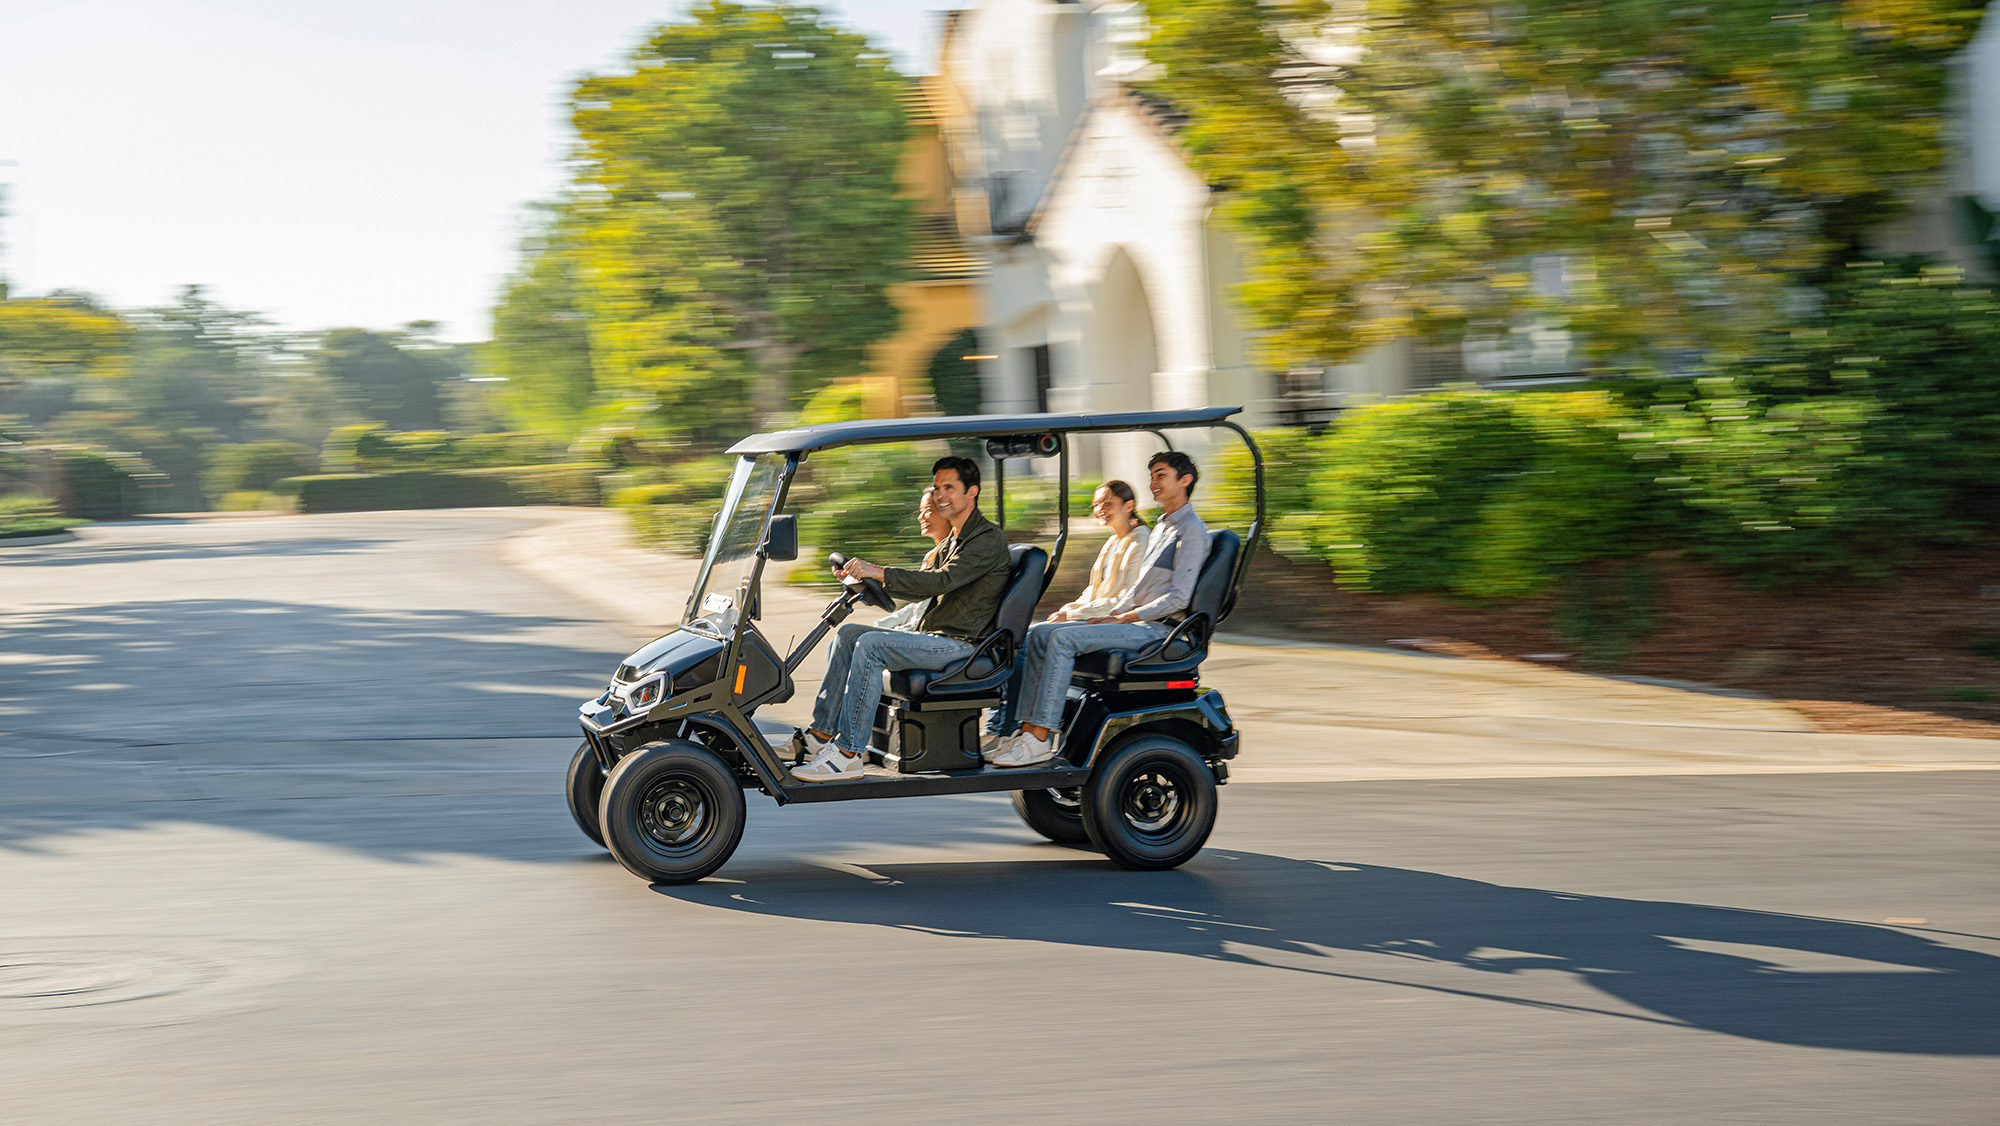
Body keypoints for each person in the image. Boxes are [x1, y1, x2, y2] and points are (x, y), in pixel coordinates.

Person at [793, 457, 1013, 782]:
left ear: (972, 492)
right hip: (936, 639)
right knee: (849, 634)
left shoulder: (985, 540)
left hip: (962, 646)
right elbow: (919, 594)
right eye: (937, 488)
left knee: (870, 644)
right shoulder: (951, 541)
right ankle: (820, 736)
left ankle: (848, 754)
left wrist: (878, 572)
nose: (940, 496)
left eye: (949, 488)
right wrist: (863, 581)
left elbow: (940, 582)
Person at [989, 451, 1209, 769]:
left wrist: (1123, 616)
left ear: (1185, 480)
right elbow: (1135, 591)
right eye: (1152, 476)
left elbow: (1179, 599)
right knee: (1039, 635)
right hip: (1136, 622)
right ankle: (1026, 732)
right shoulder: (1162, 528)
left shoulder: (1191, 532)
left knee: (1061, 641)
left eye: (1161, 475)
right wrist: (1111, 614)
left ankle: (1039, 741)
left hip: (1159, 629)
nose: (1153, 482)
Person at [979, 479, 1150, 752]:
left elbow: (1123, 600)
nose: (1100, 509)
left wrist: (1072, 614)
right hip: (1095, 616)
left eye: (1108, 503)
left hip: (1116, 620)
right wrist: (1068, 610)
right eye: (1096, 505)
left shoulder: (1139, 543)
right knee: (1021, 637)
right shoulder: (1113, 541)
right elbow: (1092, 591)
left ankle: (1010, 729)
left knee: (1034, 638)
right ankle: (1002, 728)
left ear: (1129, 505)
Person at [873, 487, 950, 631]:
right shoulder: (931, 556)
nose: (920, 517)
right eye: (920, 512)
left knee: (856, 636)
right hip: (915, 628)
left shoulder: (955, 554)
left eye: (927, 510)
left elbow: (926, 596)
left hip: (934, 633)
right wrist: (883, 625)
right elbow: (918, 606)